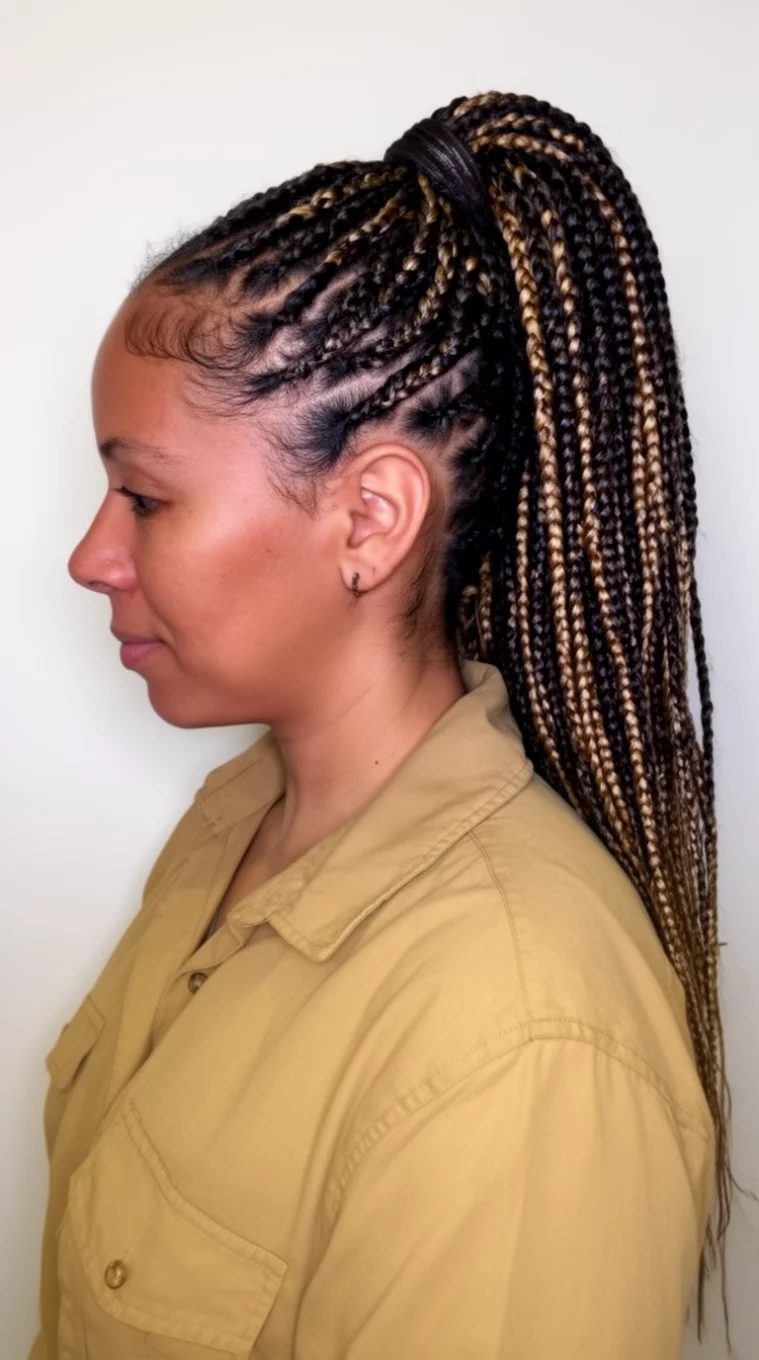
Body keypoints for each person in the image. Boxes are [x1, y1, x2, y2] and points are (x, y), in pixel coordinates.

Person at [31, 91, 729, 1360]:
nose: (89, 555)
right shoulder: (236, 823)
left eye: (143, 495)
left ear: (370, 519)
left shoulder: (519, 1039)